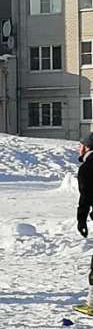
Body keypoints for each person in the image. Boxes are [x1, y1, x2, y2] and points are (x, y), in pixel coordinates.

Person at [73, 133, 93, 315]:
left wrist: (81, 220)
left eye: (81, 145)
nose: (79, 148)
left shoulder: (87, 168)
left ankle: (92, 304)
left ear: (87, 147)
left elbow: (85, 197)